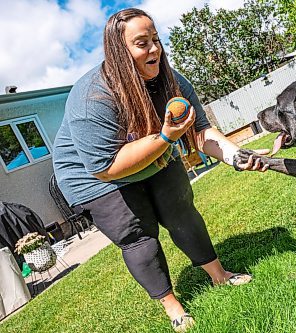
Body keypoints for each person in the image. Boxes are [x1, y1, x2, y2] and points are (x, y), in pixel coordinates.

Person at [52, 8, 268, 332]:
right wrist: (166, 136)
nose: (154, 49)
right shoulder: (92, 98)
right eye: (142, 43)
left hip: (154, 151)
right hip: (95, 178)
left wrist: (236, 155)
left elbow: (200, 132)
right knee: (138, 235)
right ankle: (174, 308)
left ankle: (219, 276)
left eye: (155, 39)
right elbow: (106, 167)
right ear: (119, 51)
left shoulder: (171, 81)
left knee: (181, 211)